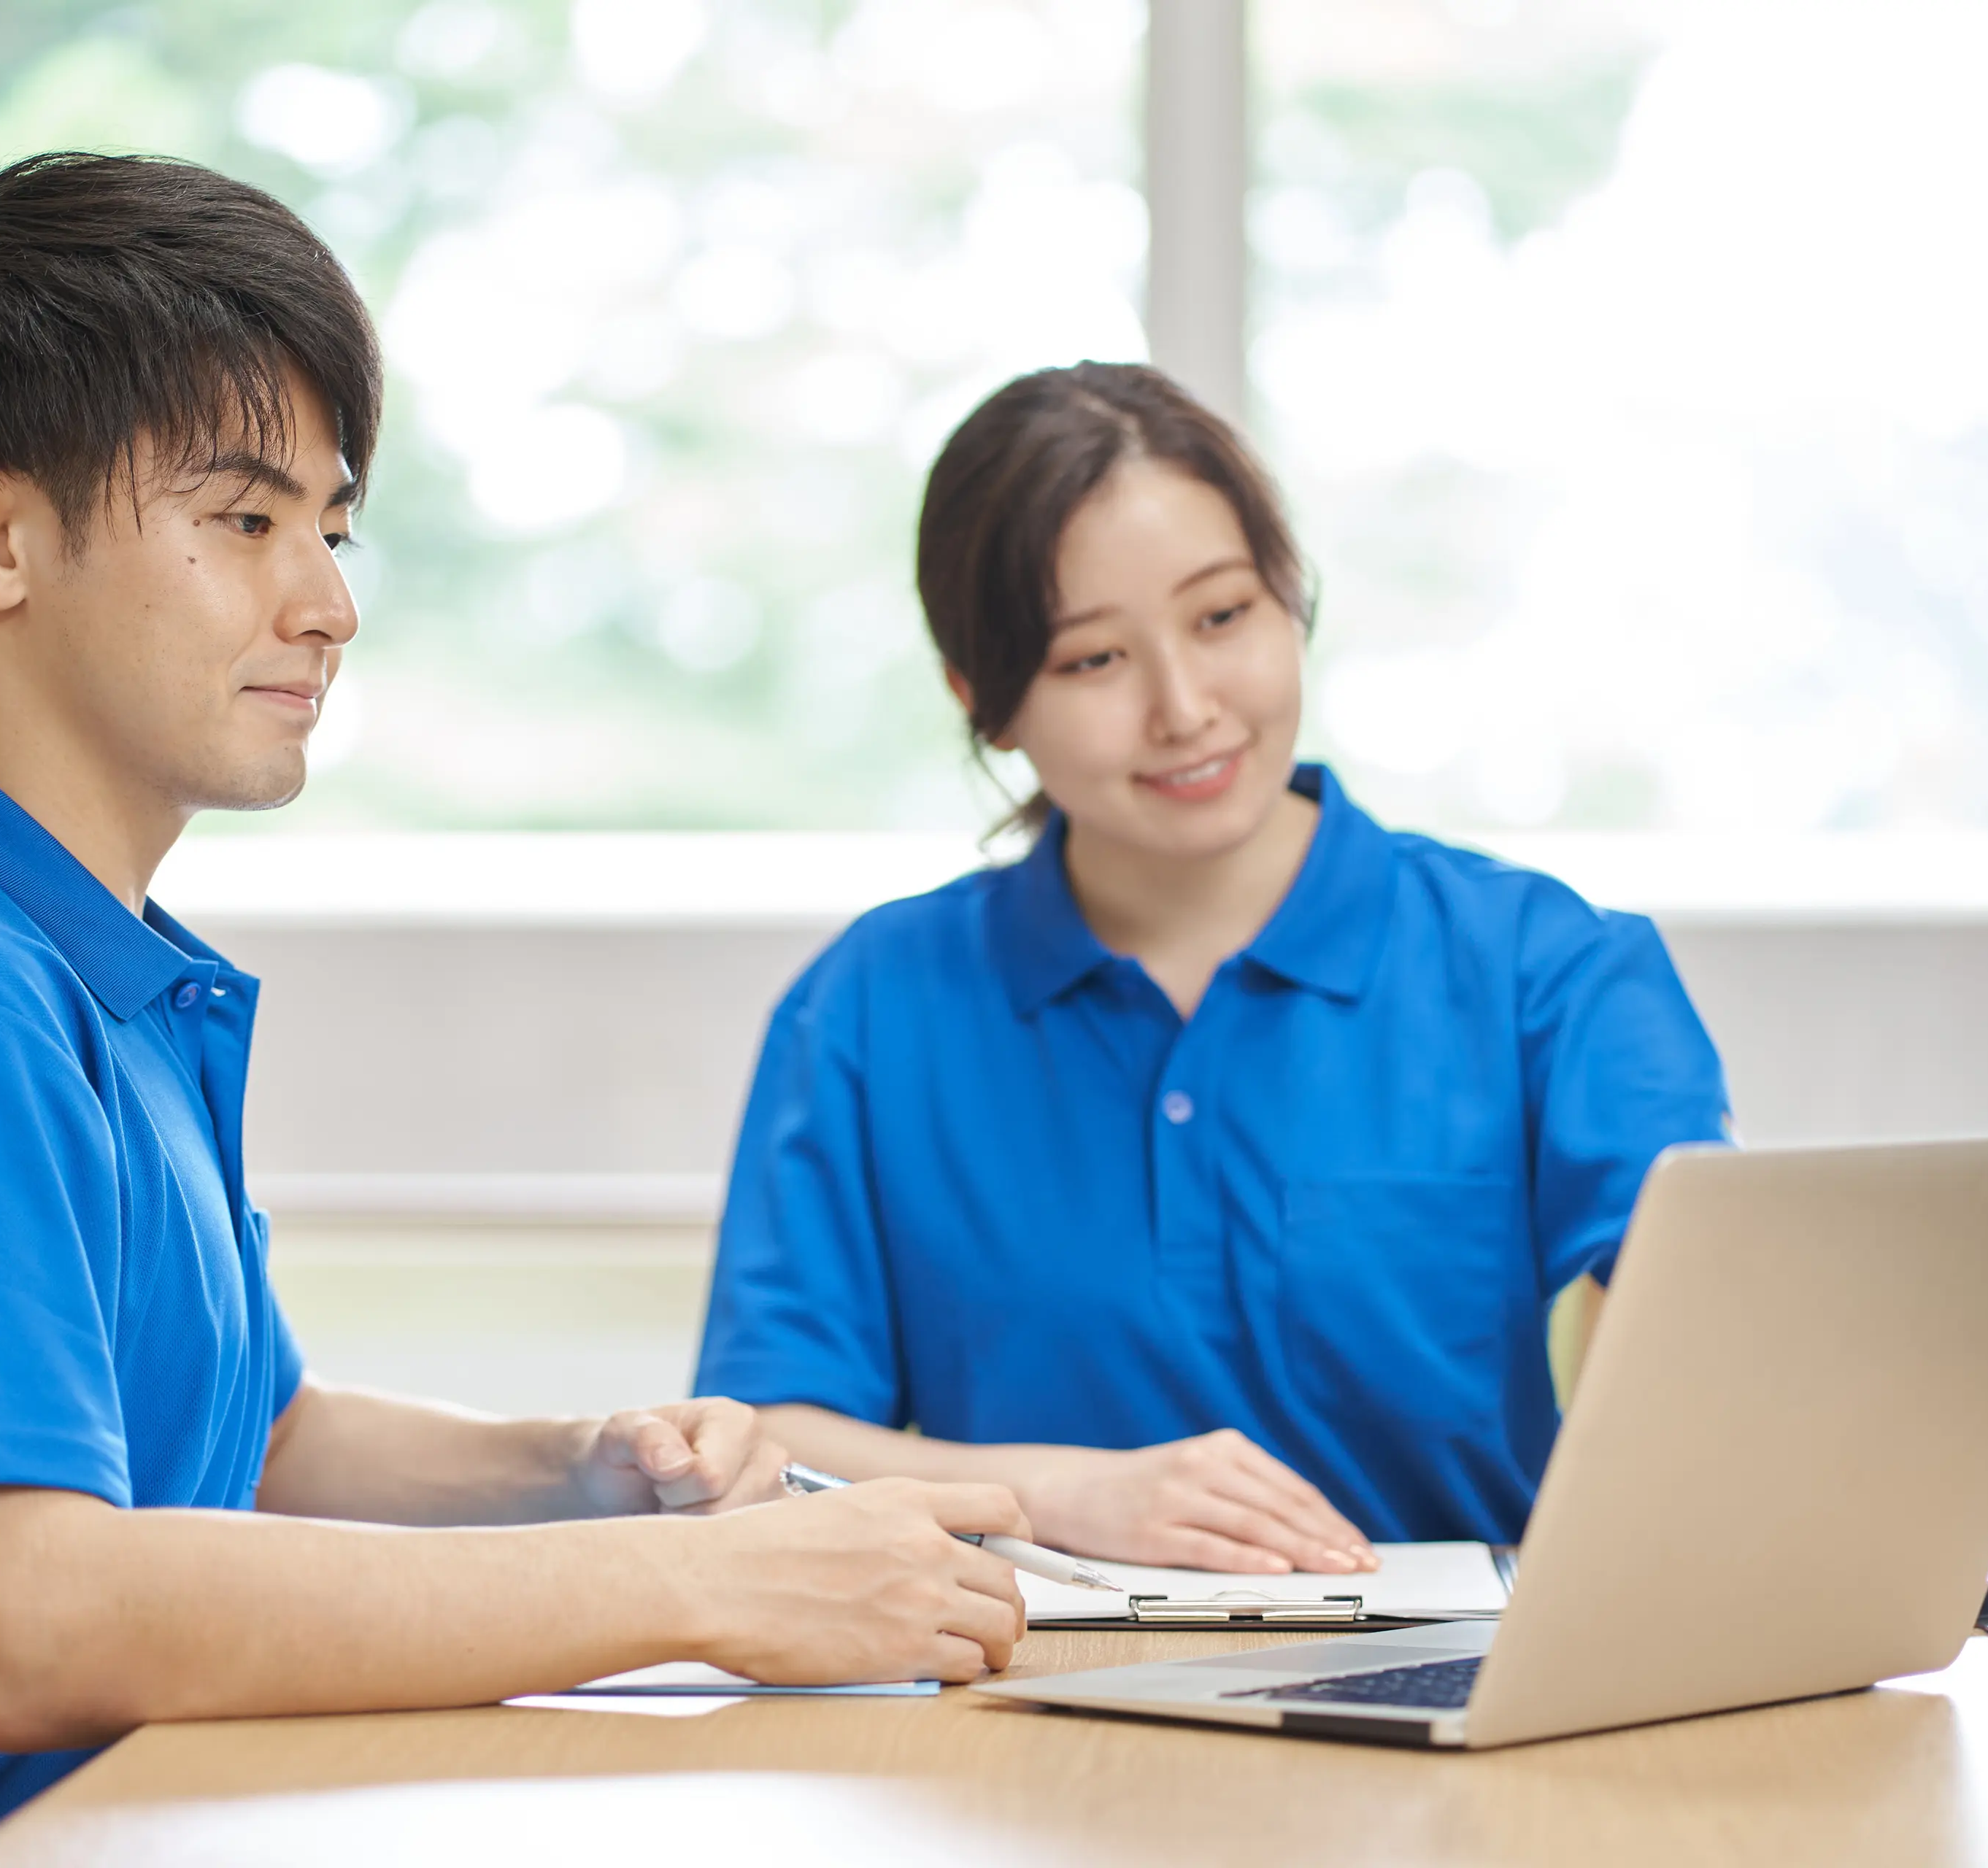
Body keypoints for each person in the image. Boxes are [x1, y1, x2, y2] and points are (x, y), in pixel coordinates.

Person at [0, 153, 1024, 1868]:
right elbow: (33, 1608)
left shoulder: (79, 961)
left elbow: (248, 1438)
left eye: (331, 527)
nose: (328, 601)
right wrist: (700, 1583)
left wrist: (586, 1468)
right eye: (244, 520)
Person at [693, 362, 1730, 1578]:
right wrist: (1068, 1494)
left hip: (1469, 1703)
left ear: (1293, 603)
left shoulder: (1548, 971)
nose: (1185, 708)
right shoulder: (866, 1011)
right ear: (985, 697)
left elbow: (1719, 1353)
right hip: (1022, 1714)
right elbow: (767, 1445)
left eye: (1223, 616)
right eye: (1094, 661)